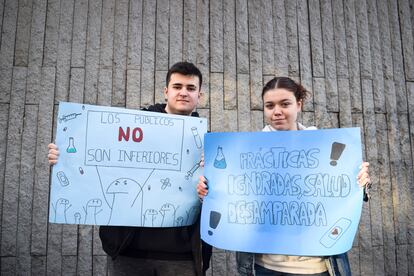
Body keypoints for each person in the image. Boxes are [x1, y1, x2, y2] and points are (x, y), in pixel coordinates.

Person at [49, 62, 212, 276]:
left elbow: (220, 197)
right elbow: (93, 156)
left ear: (199, 95)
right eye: (177, 86)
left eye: (190, 88)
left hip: (182, 255)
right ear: (166, 91)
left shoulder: (211, 144)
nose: (183, 93)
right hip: (129, 250)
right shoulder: (129, 127)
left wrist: (208, 187)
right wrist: (64, 158)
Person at [197, 77, 371, 276]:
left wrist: (360, 182)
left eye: (285, 104)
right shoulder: (245, 154)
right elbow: (229, 195)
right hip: (264, 266)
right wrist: (207, 190)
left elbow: (340, 192)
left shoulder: (325, 148)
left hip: (316, 267)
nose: (277, 111)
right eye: (269, 106)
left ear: (299, 105)